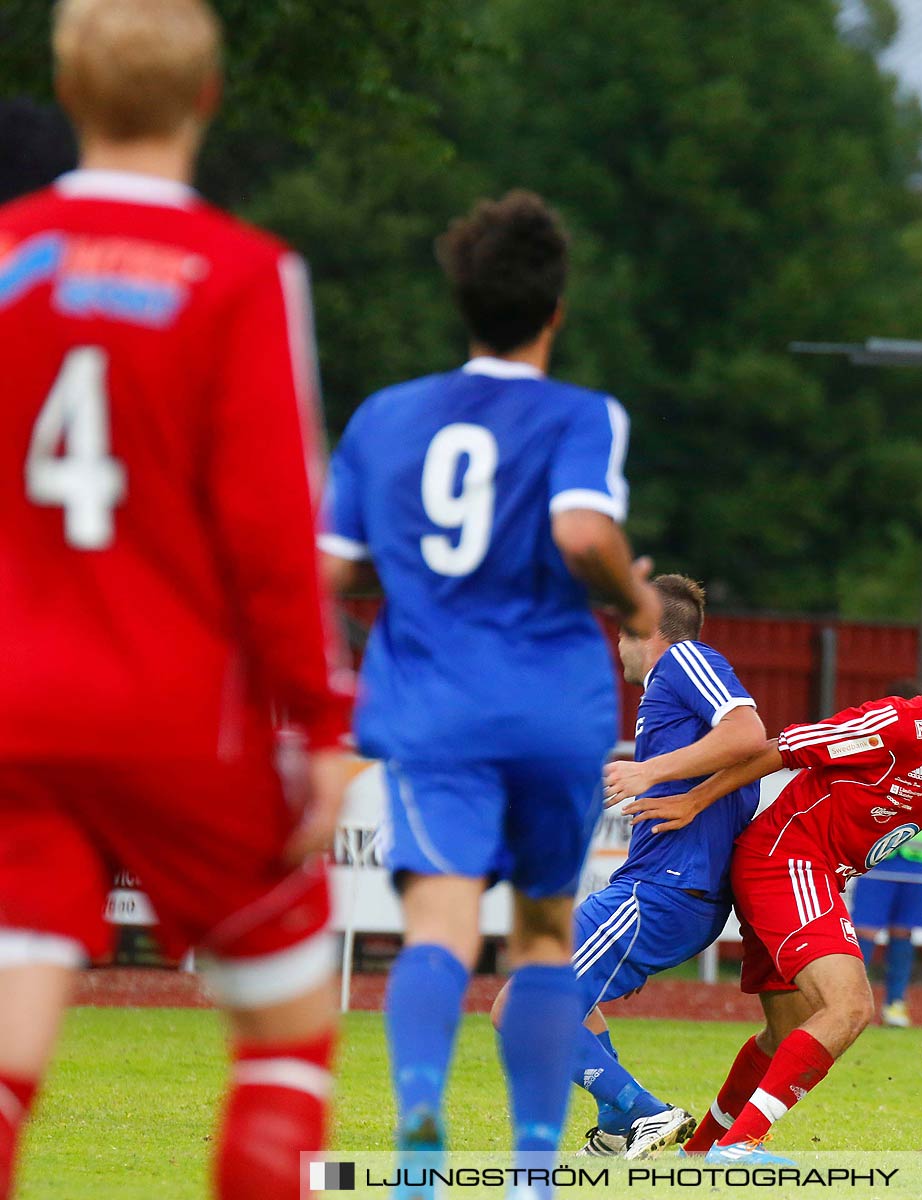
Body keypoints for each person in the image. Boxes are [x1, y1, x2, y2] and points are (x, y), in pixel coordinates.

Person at [0, 2, 356, 1198]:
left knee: (7, 1054)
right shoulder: (246, 274)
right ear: (207, 98)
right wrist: (318, 720)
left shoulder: (5, 255)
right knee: (289, 1033)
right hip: (181, 720)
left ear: (68, 91)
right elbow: (271, 529)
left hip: (15, 708)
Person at [317, 191, 661, 1180]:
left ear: (461, 303)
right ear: (556, 310)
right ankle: (532, 1168)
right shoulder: (583, 415)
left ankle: (421, 1133)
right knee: (546, 933)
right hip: (554, 705)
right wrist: (635, 599)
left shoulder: (386, 418)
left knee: (440, 921)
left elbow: (328, 569)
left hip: (435, 705)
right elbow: (583, 533)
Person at [622, 606, 922, 1163]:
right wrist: (694, 799)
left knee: (784, 1032)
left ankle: (701, 1151)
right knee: (852, 1006)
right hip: (785, 859)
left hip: (808, 875)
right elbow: (781, 748)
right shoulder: (897, 724)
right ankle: (740, 1144)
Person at [489, 573, 765, 1159]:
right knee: (572, 1003)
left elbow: (749, 733)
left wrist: (651, 772)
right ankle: (617, 1124)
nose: (615, 650)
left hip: (664, 888)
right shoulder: (672, 689)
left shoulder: (685, 659)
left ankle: (648, 1113)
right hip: (669, 889)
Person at [849, 678, 922, 1028]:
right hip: (879, 858)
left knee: (904, 933)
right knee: (866, 929)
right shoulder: (879, 750)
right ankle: (854, 1002)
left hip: (918, 863)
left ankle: (896, 1003)